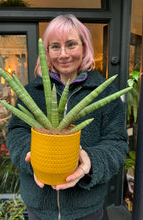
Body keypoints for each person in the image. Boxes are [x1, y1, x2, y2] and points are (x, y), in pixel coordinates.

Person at [7, 14, 129, 220]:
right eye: (55, 46)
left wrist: (89, 162)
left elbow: (117, 144)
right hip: (39, 207)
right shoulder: (31, 92)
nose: (63, 54)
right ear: (46, 52)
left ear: (84, 48)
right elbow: (15, 133)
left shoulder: (104, 94)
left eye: (71, 44)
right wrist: (33, 157)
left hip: (86, 209)